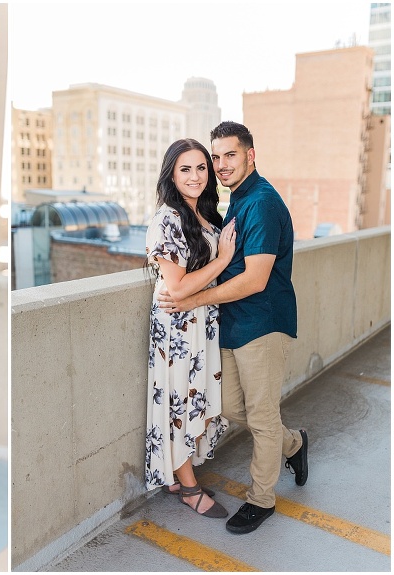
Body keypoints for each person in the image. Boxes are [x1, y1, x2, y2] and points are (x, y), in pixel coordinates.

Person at [158, 121, 308, 534]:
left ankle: (261, 500)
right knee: (227, 405)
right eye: (216, 157)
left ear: (250, 156)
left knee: (260, 416)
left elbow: (255, 279)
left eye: (230, 156)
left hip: (263, 322)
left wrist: (189, 300)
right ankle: (293, 443)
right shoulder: (235, 202)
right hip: (233, 323)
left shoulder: (260, 203)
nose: (221, 165)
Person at [145, 139, 236, 519]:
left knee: (192, 395)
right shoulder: (166, 218)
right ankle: (187, 487)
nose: (196, 176)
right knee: (178, 401)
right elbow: (178, 287)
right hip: (178, 327)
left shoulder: (205, 216)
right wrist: (224, 259)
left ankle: (176, 473)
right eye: (186, 169)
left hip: (201, 321)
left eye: (201, 167)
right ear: (171, 173)